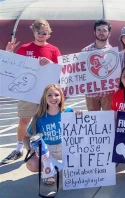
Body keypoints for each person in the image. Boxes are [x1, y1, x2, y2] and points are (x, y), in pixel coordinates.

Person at [1, 19, 61, 164]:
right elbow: (11, 67)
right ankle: (19, 149)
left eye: (44, 32)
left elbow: (60, 71)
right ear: (33, 32)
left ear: (48, 33)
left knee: (46, 122)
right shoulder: (24, 48)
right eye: (38, 32)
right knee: (24, 120)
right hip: (27, 93)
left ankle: (45, 151)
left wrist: (51, 63)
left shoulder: (54, 49)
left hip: (47, 94)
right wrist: (8, 53)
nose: (41, 35)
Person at [22, 84, 75, 186]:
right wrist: (30, 149)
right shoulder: (40, 117)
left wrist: (80, 115)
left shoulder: (68, 111)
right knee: (31, 165)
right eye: (49, 95)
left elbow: (81, 129)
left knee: (75, 169)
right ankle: (49, 171)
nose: (53, 98)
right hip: (48, 151)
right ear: (44, 98)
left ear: (61, 97)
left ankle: (68, 168)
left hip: (66, 148)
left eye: (56, 95)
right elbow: (26, 137)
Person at [82, 19, 114, 111]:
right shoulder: (85, 51)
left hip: (108, 93)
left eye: (104, 30)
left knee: (108, 120)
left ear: (109, 33)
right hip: (91, 93)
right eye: (99, 30)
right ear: (94, 32)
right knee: (93, 121)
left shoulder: (113, 53)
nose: (101, 33)